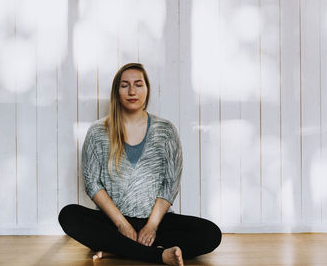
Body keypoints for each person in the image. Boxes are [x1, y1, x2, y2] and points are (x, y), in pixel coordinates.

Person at [58, 63, 222, 265]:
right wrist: (121, 224)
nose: (132, 91)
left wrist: (152, 225)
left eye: (138, 84)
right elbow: (92, 183)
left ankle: (117, 248)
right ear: (116, 91)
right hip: (113, 222)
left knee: (211, 233)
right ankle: (159, 255)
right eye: (124, 85)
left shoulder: (166, 130)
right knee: (69, 215)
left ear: (147, 90)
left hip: (156, 221)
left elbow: (170, 183)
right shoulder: (98, 131)